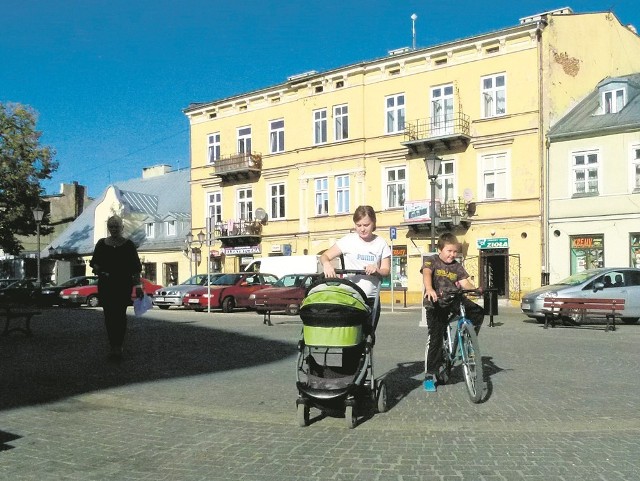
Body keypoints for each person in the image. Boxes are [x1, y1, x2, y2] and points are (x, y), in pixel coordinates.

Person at [421, 233, 484, 391]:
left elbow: (464, 283)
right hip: (436, 302)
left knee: (477, 312)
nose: (452, 254)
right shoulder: (432, 260)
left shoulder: (457, 266)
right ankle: (429, 375)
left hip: (454, 298)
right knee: (435, 338)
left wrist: (475, 289)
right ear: (440, 249)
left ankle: (468, 340)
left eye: (455, 252)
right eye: (449, 251)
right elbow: (427, 273)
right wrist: (429, 289)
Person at [319, 205, 391, 325]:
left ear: (373, 223)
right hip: (350, 297)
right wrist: (326, 264)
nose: (362, 229)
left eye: (366, 225)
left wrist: (377, 270)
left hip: (371, 299)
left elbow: (386, 270)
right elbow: (324, 256)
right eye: (358, 225)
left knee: (367, 335)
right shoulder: (348, 240)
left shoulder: (381, 243)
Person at [90, 215, 143, 360]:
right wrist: (97, 267)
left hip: (122, 284)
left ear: (122, 228)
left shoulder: (128, 245)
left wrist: (138, 285)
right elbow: (94, 262)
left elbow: (135, 268)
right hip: (106, 284)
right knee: (108, 316)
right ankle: (112, 345)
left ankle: (118, 346)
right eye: (111, 226)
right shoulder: (101, 244)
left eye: (116, 227)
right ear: (108, 228)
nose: (114, 229)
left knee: (120, 315)